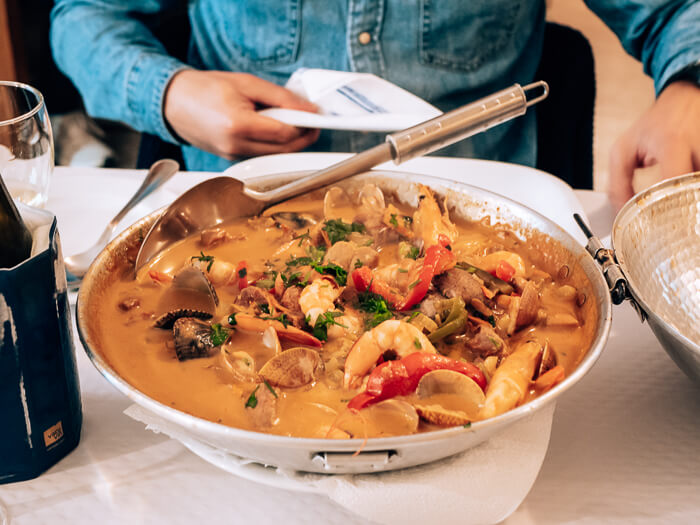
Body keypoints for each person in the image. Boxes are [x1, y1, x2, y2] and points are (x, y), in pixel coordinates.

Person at [50, 1, 700, 208]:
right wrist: (171, 92)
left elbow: (676, 10)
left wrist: (689, 83)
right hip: (243, 221)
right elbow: (83, 16)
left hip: (476, 223)